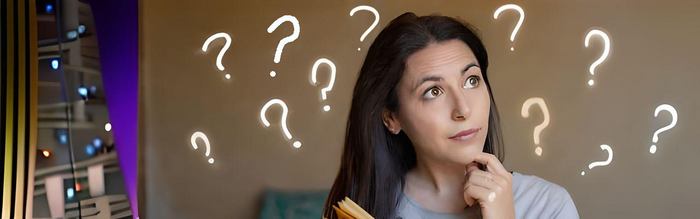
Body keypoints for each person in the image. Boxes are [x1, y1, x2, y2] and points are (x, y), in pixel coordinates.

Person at [323, 12, 579, 219]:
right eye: (433, 91)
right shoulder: (361, 209)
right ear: (391, 118)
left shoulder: (548, 206)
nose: (463, 110)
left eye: (471, 81)